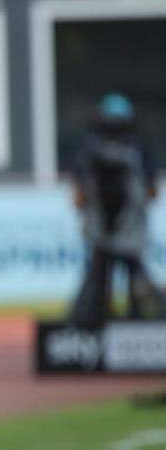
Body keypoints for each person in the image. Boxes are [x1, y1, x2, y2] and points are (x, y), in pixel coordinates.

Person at [69, 93, 165, 327]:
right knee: (129, 276)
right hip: (126, 226)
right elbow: (152, 191)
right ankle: (136, 321)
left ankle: (97, 322)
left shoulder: (92, 149)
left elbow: (79, 194)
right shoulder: (137, 149)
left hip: (105, 226)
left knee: (103, 277)